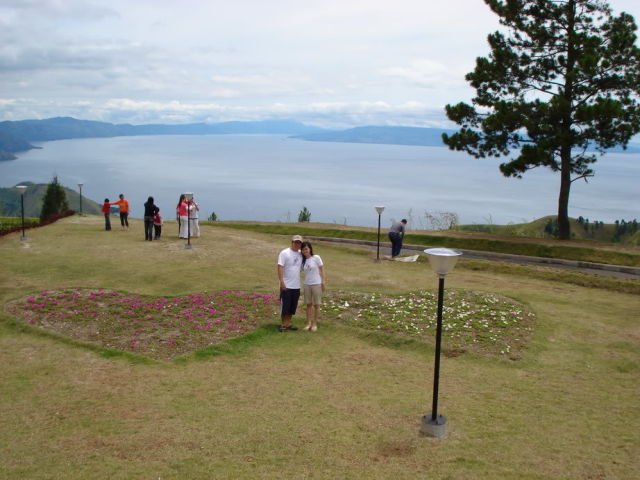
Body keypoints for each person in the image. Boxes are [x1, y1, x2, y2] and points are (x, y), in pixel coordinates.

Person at [276, 234, 303, 332]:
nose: (297, 244)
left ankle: (288, 323)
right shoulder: (284, 253)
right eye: (295, 242)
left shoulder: (301, 254)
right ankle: (283, 324)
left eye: (299, 242)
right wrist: (281, 281)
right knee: (285, 306)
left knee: (292, 306)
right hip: (286, 284)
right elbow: (280, 267)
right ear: (292, 242)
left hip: (296, 285)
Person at [301, 241, 326, 332]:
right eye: (303, 249)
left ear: (310, 249)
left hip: (316, 284)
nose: (305, 251)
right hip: (307, 284)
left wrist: (323, 282)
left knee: (316, 304)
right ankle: (308, 323)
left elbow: (322, 269)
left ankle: (315, 324)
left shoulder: (316, 257)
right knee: (308, 304)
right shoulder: (302, 260)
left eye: (306, 249)